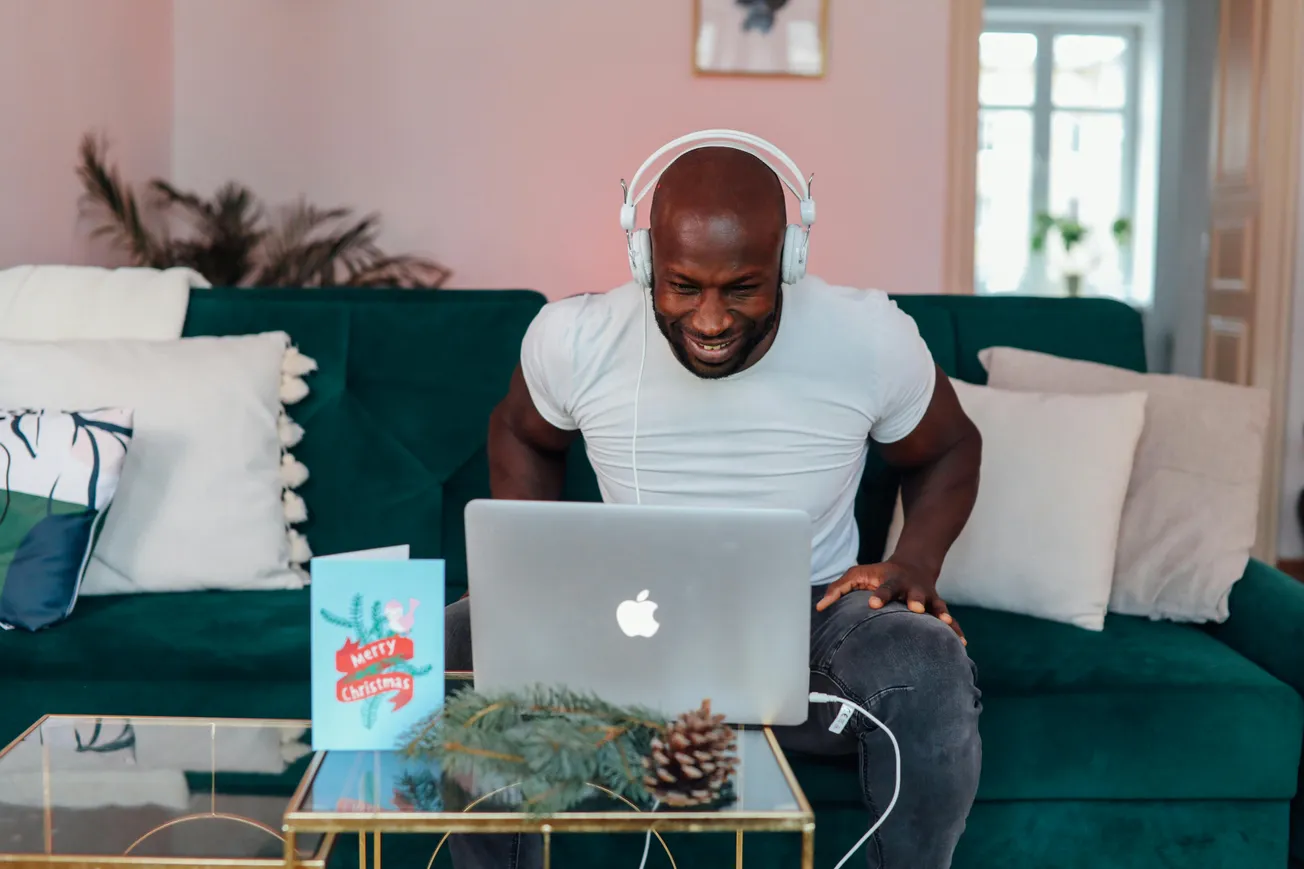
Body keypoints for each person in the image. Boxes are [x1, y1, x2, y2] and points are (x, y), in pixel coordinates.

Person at [444, 136, 983, 869]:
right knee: (464, 641)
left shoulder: (870, 337)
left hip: (812, 620)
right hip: (618, 616)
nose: (710, 320)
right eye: (682, 285)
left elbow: (950, 446)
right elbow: (519, 429)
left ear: (789, 261)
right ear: (645, 263)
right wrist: (523, 564)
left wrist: (915, 558)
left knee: (927, 657)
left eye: (741, 287)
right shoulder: (576, 338)